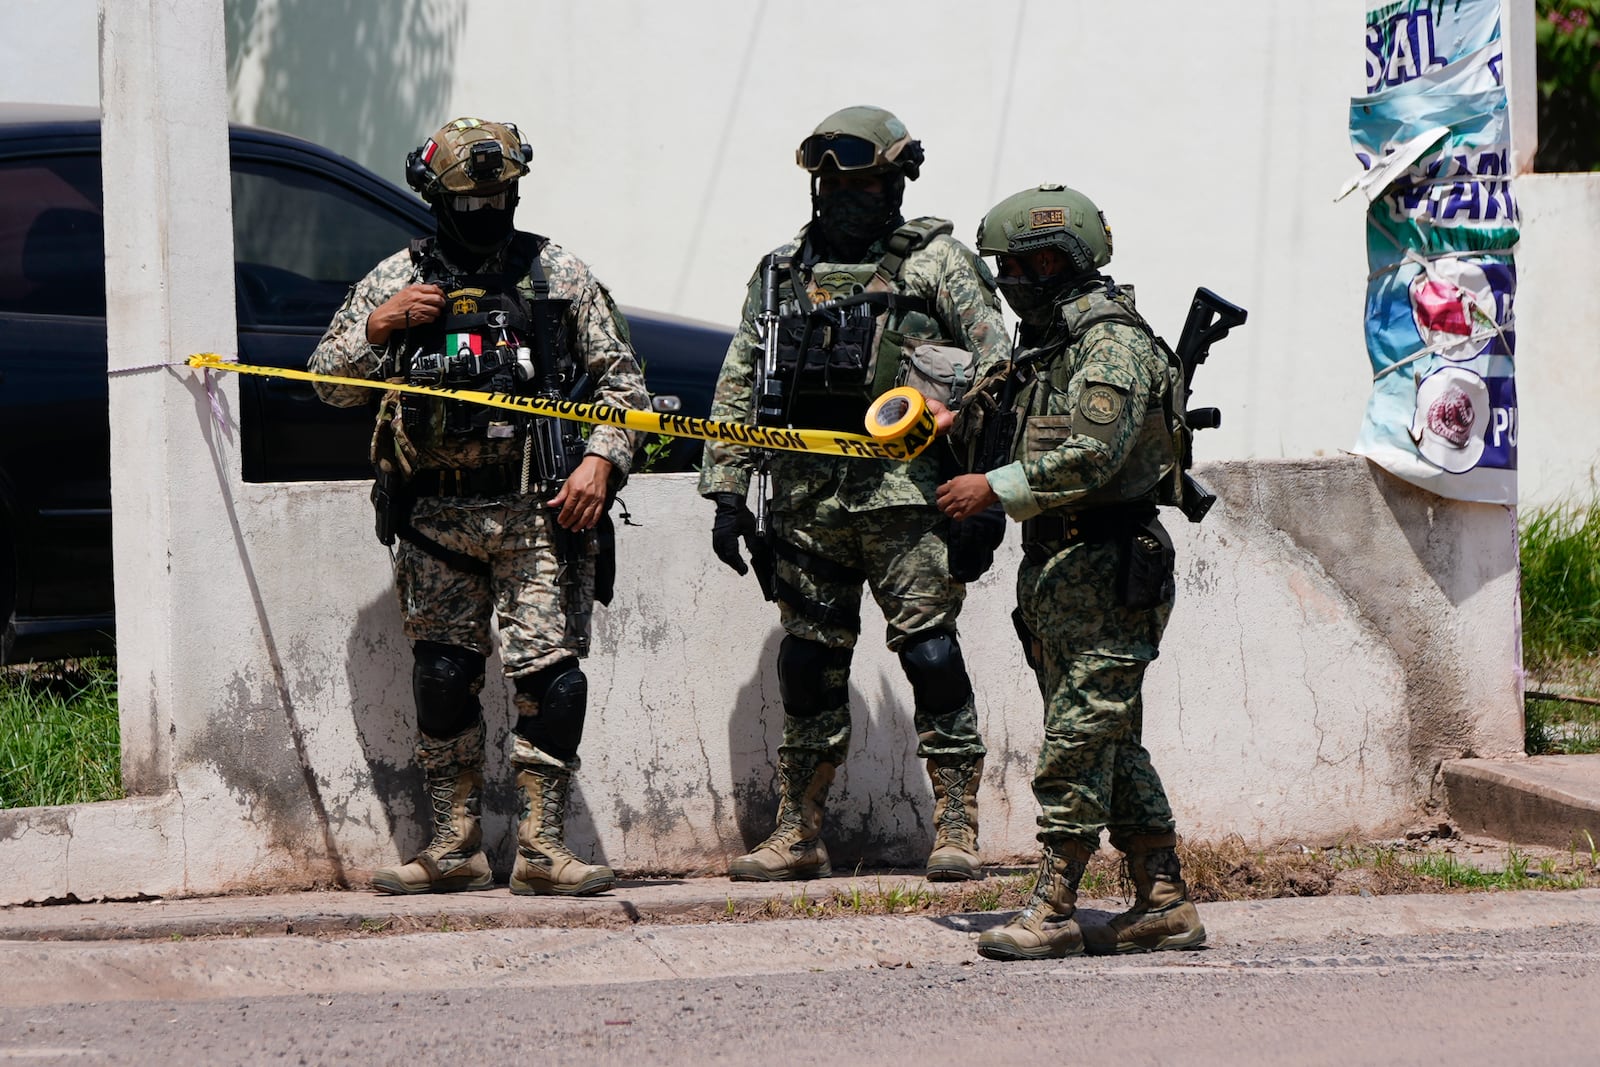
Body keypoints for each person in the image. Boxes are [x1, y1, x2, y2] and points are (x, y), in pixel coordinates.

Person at [310, 117, 649, 897]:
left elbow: (624, 384)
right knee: (441, 674)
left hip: (540, 514)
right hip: (437, 521)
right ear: (435, 199)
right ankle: (454, 845)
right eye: (468, 201)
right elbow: (327, 379)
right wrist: (377, 325)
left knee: (553, 681)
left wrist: (602, 458)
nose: (485, 213)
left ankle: (541, 848)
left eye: (498, 197)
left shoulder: (555, 272)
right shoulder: (397, 278)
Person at [700, 105, 1011, 882]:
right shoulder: (779, 273)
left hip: (910, 500)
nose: (853, 199)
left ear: (897, 183)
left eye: (871, 183)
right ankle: (797, 829)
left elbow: (1002, 368)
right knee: (807, 665)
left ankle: (959, 824)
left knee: (932, 656)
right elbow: (741, 379)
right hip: (808, 504)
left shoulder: (938, 264)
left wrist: (987, 490)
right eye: (839, 185)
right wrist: (728, 491)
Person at [936, 183, 1207, 957]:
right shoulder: (1049, 345)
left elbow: (1095, 452)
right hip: (1060, 568)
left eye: (1017, 268)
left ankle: (1053, 904)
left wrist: (996, 487)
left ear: (1057, 260)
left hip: (1110, 566)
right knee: (1111, 741)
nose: (1007, 283)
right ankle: (1164, 901)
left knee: (1077, 739)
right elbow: (1025, 425)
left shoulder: (1109, 344)